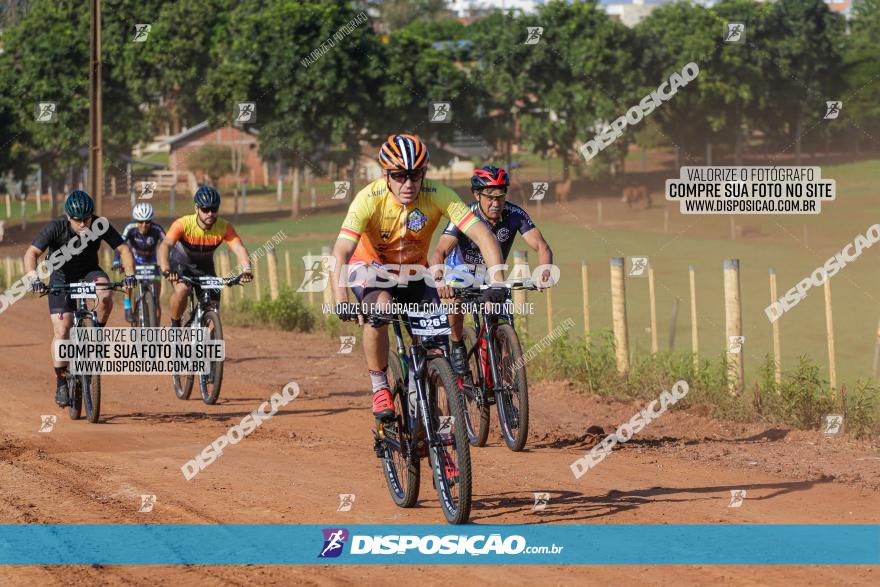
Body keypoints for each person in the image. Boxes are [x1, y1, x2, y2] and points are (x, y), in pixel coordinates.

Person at [330, 133, 508, 421]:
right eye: (399, 176)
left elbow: (482, 235)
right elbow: (340, 253)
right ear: (386, 175)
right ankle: (379, 387)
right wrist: (341, 300)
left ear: (425, 172)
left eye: (415, 175)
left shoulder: (438, 194)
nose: (408, 184)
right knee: (381, 309)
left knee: (437, 346)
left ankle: (428, 402)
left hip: (415, 272)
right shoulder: (368, 199)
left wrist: (497, 281)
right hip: (370, 269)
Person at [430, 165, 554, 379]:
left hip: (492, 275)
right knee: (454, 304)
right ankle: (457, 344)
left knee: (501, 320)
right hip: (460, 270)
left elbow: (542, 246)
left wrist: (544, 271)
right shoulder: (464, 215)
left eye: (500, 196)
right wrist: (440, 280)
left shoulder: (515, 214)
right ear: (477, 194)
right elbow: (439, 251)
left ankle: (502, 372)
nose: (496, 203)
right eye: (489, 197)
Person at [24, 190, 136, 407]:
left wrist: (130, 274)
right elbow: (31, 253)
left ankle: (98, 332)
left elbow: (123, 249)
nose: (84, 224)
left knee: (105, 291)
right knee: (63, 329)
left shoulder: (98, 224)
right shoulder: (56, 227)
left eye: (87, 218)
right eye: (78, 220)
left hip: (89, 272)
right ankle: (61, 383)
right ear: (68, 217)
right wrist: (34, 279)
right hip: (61, 276)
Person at [157, 186, 253, 325]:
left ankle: (211, 340)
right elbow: (165, 245)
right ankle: (175, 324)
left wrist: (247, 269)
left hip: (205, 267)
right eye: (205, 209)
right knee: (182, 290)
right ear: (196, 208)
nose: (210, 213)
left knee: (214, 310)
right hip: (180, 265)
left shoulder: (224, 227)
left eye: (214, 209)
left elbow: (239, 248)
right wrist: (166, 269)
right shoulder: (183, 224)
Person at [112, 202, 166, 324]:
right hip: (135, 260)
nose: (144, 225)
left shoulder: (157, 229)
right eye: (140, 222)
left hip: (151, 262)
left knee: (156, 299)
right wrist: (117, 260)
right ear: (136, 220)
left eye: (147, 222)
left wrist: (169, 262)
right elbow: (119, 245)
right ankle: (127, 304)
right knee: (129, 278)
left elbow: (167, 244)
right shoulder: (130, 228)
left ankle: (155, 328)